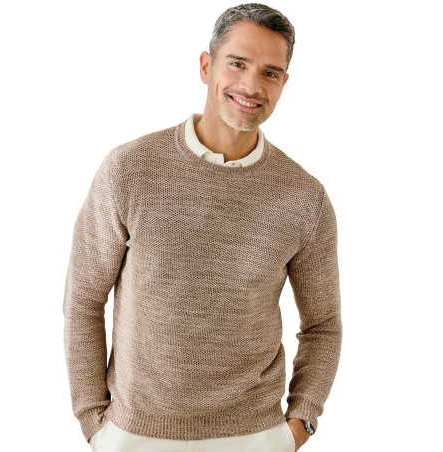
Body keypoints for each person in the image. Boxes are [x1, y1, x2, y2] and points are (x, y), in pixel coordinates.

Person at [63, 3, 343, 451]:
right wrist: (94, 422)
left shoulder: (305, 197)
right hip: (134, 435)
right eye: (238, 63)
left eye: (270, 73)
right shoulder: (130, 170)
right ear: (206, 65)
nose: (251, 86)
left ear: (284, 84)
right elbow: (83, 299)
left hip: (255, 437)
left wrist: (300, 423)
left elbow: (323, 325)